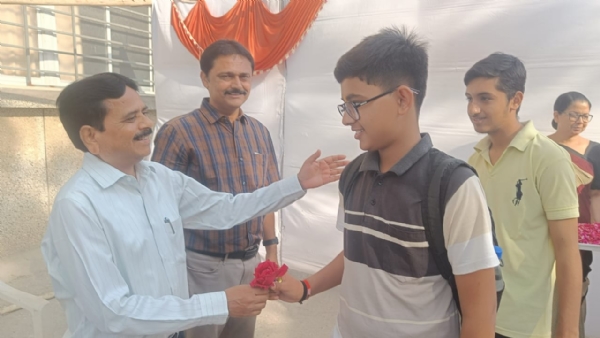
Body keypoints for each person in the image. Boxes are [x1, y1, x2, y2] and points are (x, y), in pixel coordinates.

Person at [41, 72, 347, 338]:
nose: (147, 124)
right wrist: (219, 303)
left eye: (144, 112)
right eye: (130, 118)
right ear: (90, 136)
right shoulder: (78, 206)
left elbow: (226, 209)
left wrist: (297, 184)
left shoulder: (158, 178)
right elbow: (113, 313)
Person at [273, 26, 500, 338]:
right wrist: (305, 287)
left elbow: (480, 315)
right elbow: (356, 254)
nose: (346, 118)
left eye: (356, 103)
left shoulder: (453, 186)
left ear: (403, 99)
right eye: (344, 105)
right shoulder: (353, 175)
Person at [151, 40, 280, 338]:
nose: (237, 84)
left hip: (251, 266)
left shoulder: (259, 133)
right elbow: (159, 209)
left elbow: (267, 198)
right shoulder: (178, 132)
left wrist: (271, 251)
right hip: (201, 268)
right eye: (226, 76)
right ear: (205, 79)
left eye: (244, 76)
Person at [464, 53, 582, 338]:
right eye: (468, 98)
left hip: (524, 324)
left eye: (485, 98)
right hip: (477, 314)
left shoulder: (548, 158)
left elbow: (568, 253)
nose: (473, 109)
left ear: (515, 100)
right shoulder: (474, 161)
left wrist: (567, 330)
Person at [548, 92, 599, 338]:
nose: (580, 120)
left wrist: (596, 230)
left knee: (574, 293)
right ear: (556, 115)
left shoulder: (596, 151)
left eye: (585, 116)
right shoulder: (539, 147)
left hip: (578, 239)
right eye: (574, 114)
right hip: (543, 234)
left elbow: (596, 196)